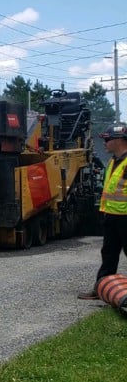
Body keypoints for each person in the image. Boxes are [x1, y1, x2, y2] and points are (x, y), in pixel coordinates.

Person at [79, 122, 127, 299]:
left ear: (120, 140)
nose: (105, 142)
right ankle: (102, 287)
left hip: (125, 217)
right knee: (108, 254)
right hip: (112, 216)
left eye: (107, 139)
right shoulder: (113, 161)